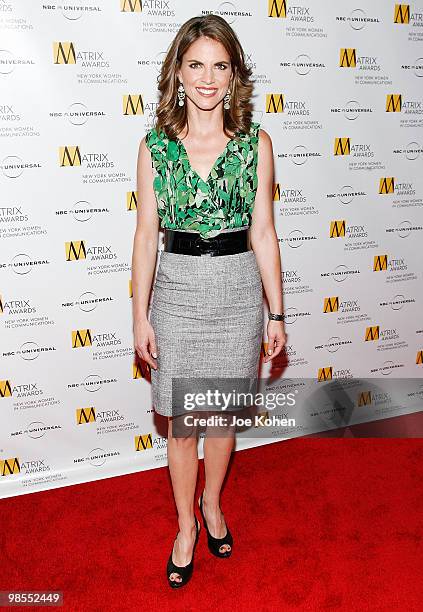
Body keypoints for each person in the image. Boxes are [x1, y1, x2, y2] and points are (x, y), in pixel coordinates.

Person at [131, 14, 286, 588]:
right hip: (176, 292)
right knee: (182, 426)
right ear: (178, 71)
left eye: (219, 65)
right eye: (195, 64)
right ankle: (184, 526)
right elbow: (146, 235)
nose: (207, 77)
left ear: (233, 75)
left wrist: (276, 311)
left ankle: (213, 505)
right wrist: (139, 316)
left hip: (237, 291)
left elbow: (264, 233)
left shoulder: (256, 145)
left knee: (219, 417)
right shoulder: (155, 148)